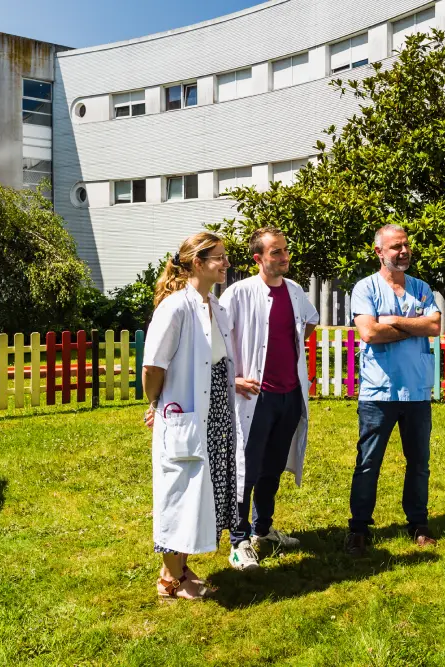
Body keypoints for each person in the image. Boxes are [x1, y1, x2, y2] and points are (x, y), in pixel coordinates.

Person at [141, 231, 238, 600]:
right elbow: (153, 366)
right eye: (219, 257)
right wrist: (158, 403)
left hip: (213, 413)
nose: (226, 263)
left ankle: (177, 570)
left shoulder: (213, 305)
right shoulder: (175, 307)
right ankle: (171, 577)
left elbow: (216, 360)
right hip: (185, 411)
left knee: (203, 491)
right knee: (180, 491)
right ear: (198, 263)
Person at [219, 227, 319, 570]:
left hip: (289, 395)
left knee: (273, 467)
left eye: (285, 250)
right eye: (276, 252)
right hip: (254, 398)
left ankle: (263, 529)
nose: (285, 257)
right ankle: (238, 540)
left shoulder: (294, 290)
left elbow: (309, 323)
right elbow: (214, 340)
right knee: (245, 468)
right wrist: (232, 379)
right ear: (258, 258)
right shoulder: (237, 293)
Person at [345, 224, 442, 556]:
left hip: (416, 391)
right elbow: (369, 333)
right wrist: (412, 327)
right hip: (379, 392)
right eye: (395, 247)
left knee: (419, 461)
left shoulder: (421, 288)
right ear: (379, 252)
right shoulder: (365, 288)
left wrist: (394, 321)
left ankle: (418, 523)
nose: (403, 251)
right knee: (368, 461)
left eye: (406, 245)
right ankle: (358, 527)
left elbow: (434, 325)